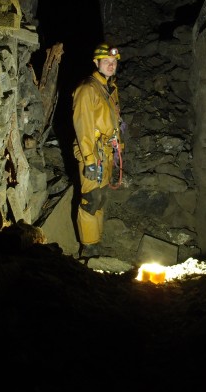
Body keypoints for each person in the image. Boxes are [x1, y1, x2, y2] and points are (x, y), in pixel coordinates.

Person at [72, 42, 125, 258]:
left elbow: (114, 121)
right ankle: (89, 247)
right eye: (106, 62)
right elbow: (82, 126)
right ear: (96, 63)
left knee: (101, 198)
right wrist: (89, 160)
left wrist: (117, 146)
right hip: (92, 153)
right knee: (90, 199)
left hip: (106, 153)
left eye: (113, 62)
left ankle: (97, 239)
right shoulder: (87, 89)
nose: (111, 66)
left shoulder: (109, 88)